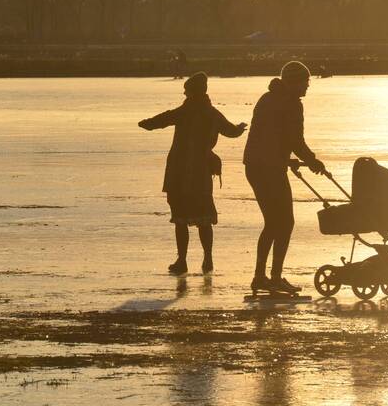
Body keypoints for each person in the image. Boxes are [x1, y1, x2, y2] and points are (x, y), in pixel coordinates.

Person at [139, 72, 247, 275]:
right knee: (204, 218)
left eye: (186, 91)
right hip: (201, 173)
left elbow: (162, 119)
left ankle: (182, 260)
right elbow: (230, 131)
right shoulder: (212, 113)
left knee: (180, 218)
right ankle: (208, 258)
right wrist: (240, 128)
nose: (185, 94)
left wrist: (146, 123)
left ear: (191, 92)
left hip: (179, 172)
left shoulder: (184, 111)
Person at [243, 61, 326, 294]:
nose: (307, 86)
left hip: (255, 165)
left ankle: (261, 276)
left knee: (273, 222)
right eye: (305, 82)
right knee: (284, 222)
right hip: (268, 168)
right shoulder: (291, 105)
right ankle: (273, 277)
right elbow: (294, 141)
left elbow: (267, 136)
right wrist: (313, 161)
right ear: (293, 82)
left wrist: (285, 158)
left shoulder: (266, 99)